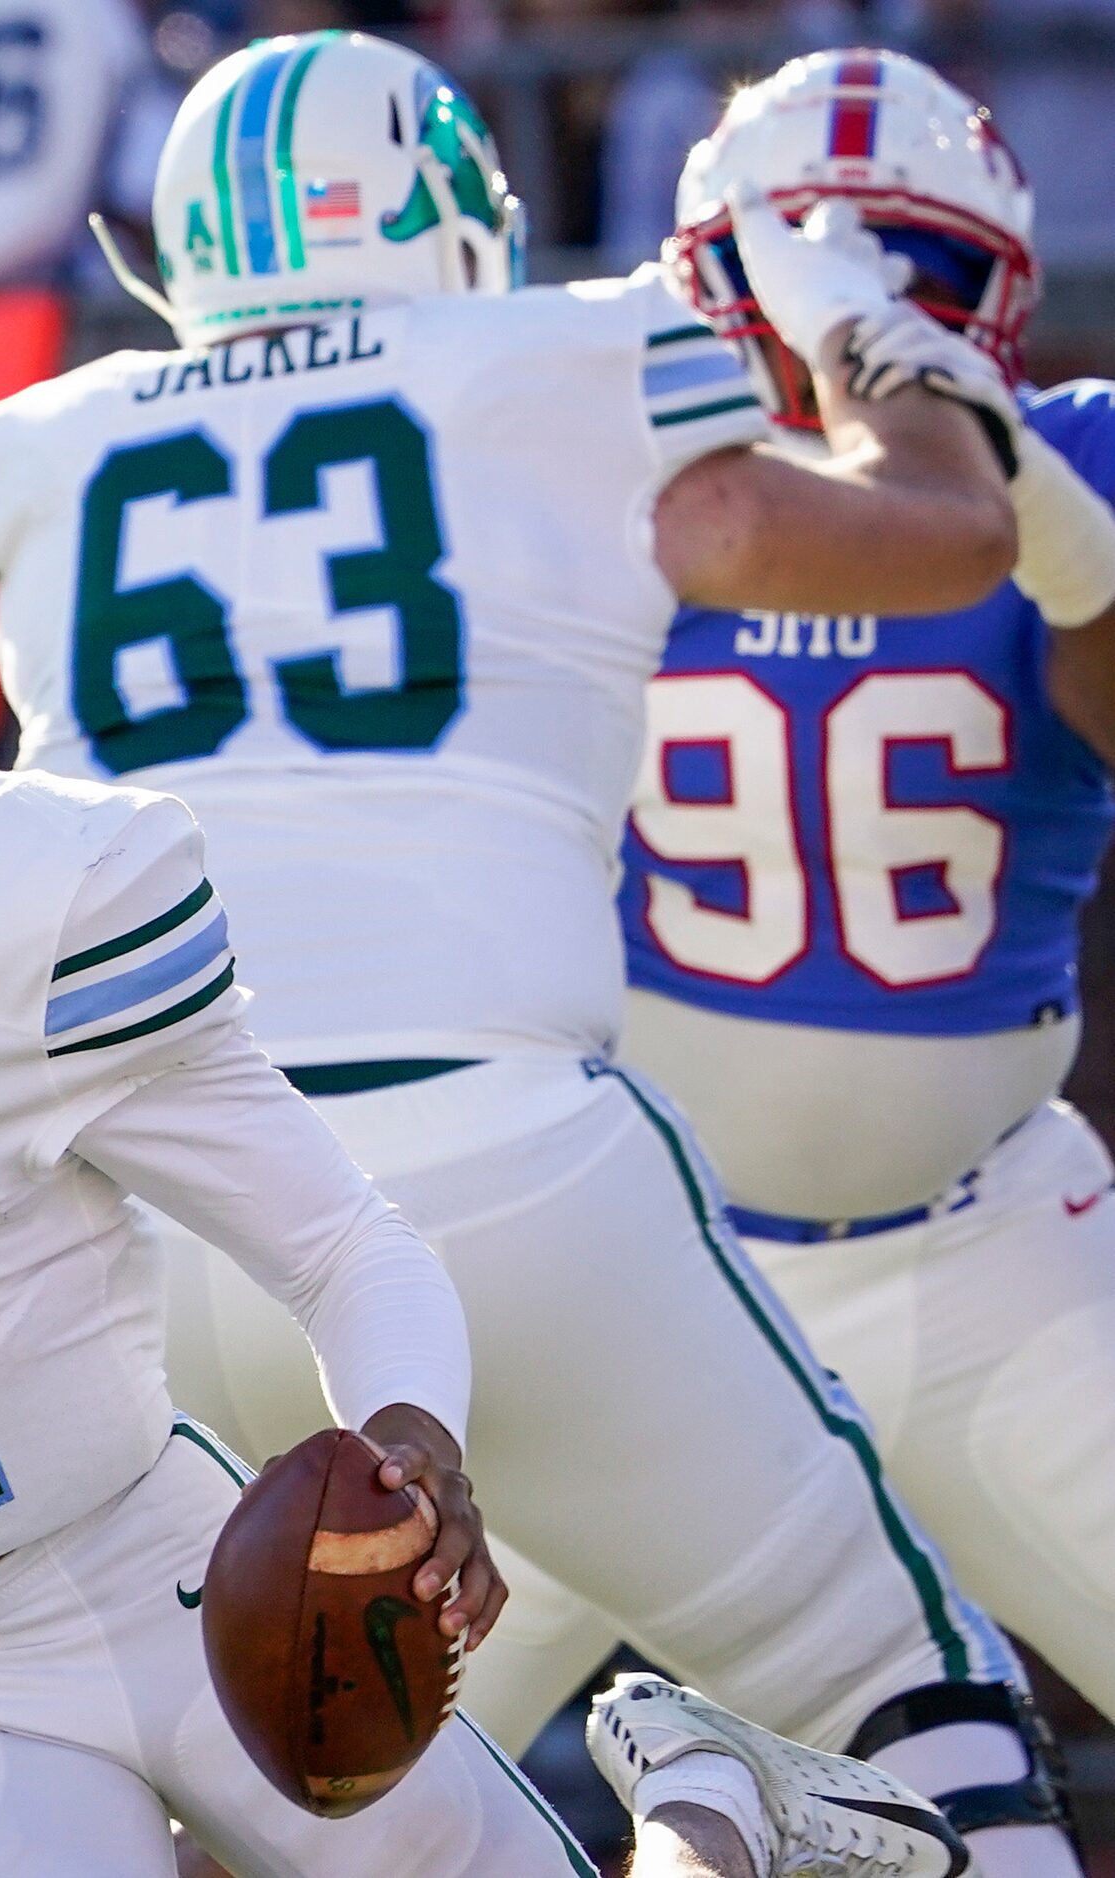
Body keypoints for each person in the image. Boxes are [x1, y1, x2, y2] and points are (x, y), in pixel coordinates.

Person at [0, 385, 969, 1878]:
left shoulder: (25, 905)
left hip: (160, 1580)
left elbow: (344, 1243)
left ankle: (711, 1804)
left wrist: (412, 1439)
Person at [0, 28, 1087, 1876]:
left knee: (235, 1790)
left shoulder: (29, 443)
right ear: (436, 210)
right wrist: (889, 348)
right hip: (488, 1166)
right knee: (902, 1691)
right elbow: (945, 537)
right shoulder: (574, 358)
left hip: (126, 1217)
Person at [510, 45, 1115, 1765]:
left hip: (977, 1244)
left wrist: (1006, 481)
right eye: (814, 282)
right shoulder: (575, 488)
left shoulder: (1070, 458)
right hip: (622, 1270)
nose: (847, 327)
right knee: (310, 1777)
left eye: (908, 281)